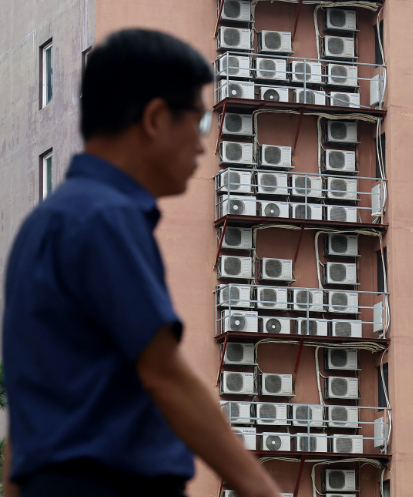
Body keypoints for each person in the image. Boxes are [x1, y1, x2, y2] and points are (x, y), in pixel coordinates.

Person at [1, 29, 282, 497]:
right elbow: (164, 374)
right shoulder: (106, 218)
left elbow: (28, 411)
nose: (201, 146)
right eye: (200, 122)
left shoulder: (40, 227)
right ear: (154, 118)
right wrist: (264, 491)